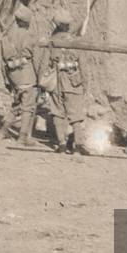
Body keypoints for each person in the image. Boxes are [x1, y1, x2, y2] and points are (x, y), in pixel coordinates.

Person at [46, 11, 89, 154]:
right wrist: (85, 84)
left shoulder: (51, 41)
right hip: (73, 82)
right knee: (76, 115)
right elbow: (83, 65)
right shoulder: (75, 42)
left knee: (58, 113)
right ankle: (78, 145)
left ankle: (62, 144)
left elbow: (46, 62)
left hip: (57, 82)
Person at [0, 5, 39, 146]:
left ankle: (3, 131)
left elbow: (3, 60)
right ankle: (23, 137)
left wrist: (7, 78)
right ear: (27, 22)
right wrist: (40, 78)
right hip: (27, 75)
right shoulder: (30, 37)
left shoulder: (6, 36)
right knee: (28, 106)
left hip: (13, 76)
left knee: (17, 103)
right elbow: (36, 59)